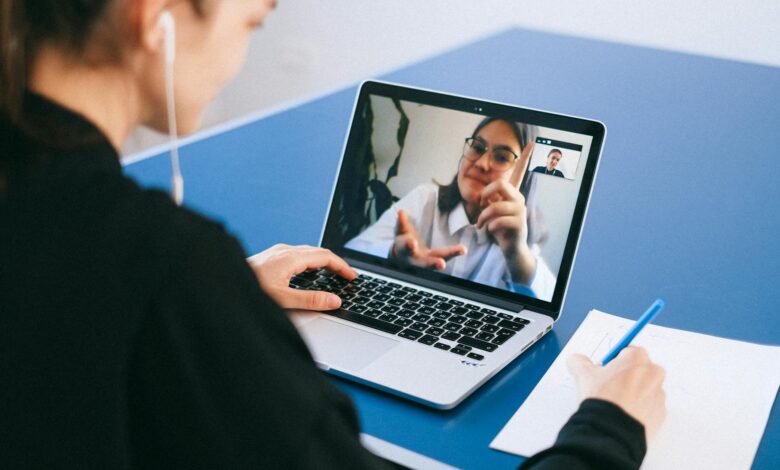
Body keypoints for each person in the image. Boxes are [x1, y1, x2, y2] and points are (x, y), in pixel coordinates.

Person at [0, 1, 666, 468]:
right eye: (251, 22)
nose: (240, 56)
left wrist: (227, 290)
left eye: (502, 156)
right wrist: (610, 427)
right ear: (155, 17)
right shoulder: (170, 269)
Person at [347, 118, 556, 300]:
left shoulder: (517, 239)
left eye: (501, 157)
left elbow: (548, 305)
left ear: (524, 176)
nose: (482, 163)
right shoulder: (425, 199)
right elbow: (352, 251)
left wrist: (516, 253)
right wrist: (394, 253)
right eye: (477, 147)